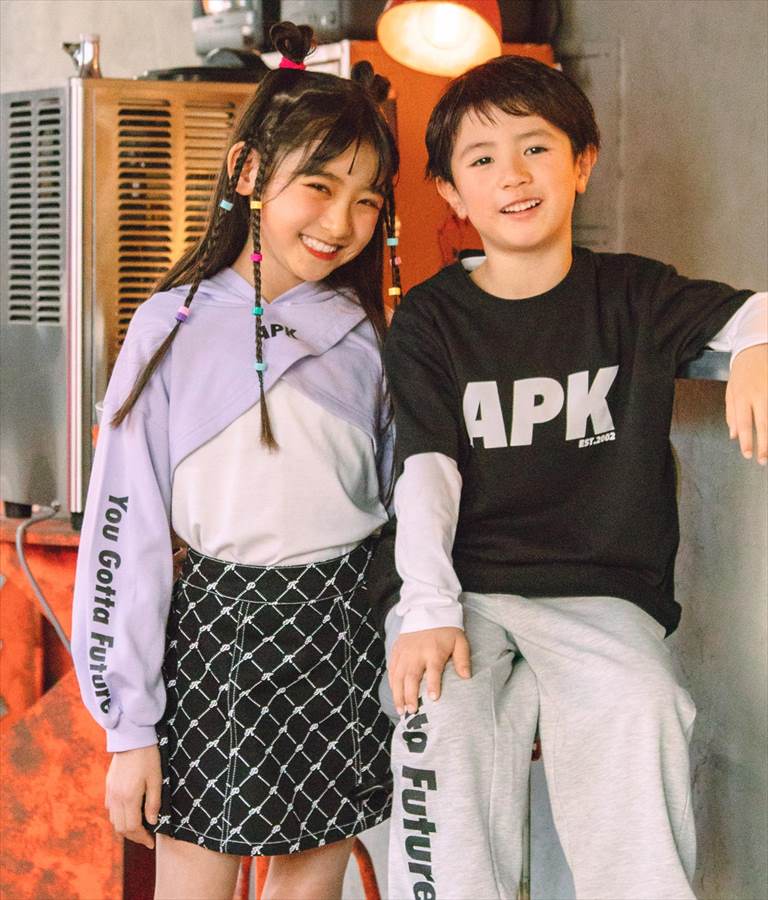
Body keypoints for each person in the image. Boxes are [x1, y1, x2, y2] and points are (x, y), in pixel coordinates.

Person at [372, 54, 767, 900]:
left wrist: (757, 346)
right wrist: (428, 608)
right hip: (466, 588)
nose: (513, 176)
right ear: (451, 192)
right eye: (482, 159)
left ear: (582, 163)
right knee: (436, 712)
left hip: (601, 591)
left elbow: (749, 309)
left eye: (536, 148)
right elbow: (427, 470)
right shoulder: (433, 319)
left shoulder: (632, 294)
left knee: (642, 706)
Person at [71, 22, 402, 900]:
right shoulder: (171, 327)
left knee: (310, 887)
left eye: (367, 200)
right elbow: (125, 537)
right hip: (217, 636)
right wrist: (129, 729)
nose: (340, 222)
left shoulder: (369, 337)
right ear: (249, 172)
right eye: (318, 186)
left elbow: (402, 507)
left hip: (343, 637)